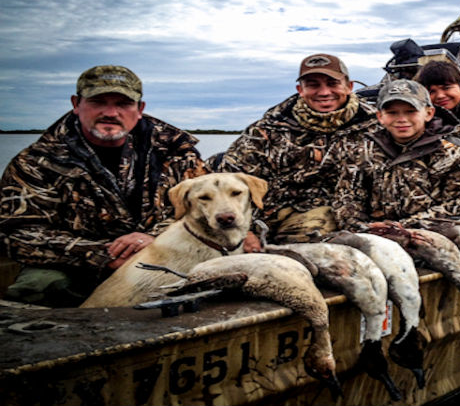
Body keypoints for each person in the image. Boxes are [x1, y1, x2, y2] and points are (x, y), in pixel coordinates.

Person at [0, 65, 206, 307]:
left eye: (123, 103)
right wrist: (102, 255)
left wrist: (153, 239)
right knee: (39, 287)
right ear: (76, 104)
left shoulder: (177, 150)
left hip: (166, 254)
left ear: (139, 109)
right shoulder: (36, 161)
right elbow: (18, 233)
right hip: (77, 266)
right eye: (98, 102)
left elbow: (204, 209)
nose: (111, 112)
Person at [214, 54, 378, 246]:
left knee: (308, 242)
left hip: (326, 215)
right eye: (313, 85)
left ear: (349, 87)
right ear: (300, 90)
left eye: (332, 83)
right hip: (261, 213)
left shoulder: (375, 126)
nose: (324, 92)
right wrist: (245, 232)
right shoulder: (268, 127)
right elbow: (230, 179)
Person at [332, 79, 460, 231]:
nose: (402, 119)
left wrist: (405, 226)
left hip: (437, 233)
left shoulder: (458, 153)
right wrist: (360, 226)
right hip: (374, 234)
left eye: (411, 111)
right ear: (380, 117)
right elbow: (346, 196)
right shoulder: (362, 151)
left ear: (429, 113)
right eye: (392, 112)